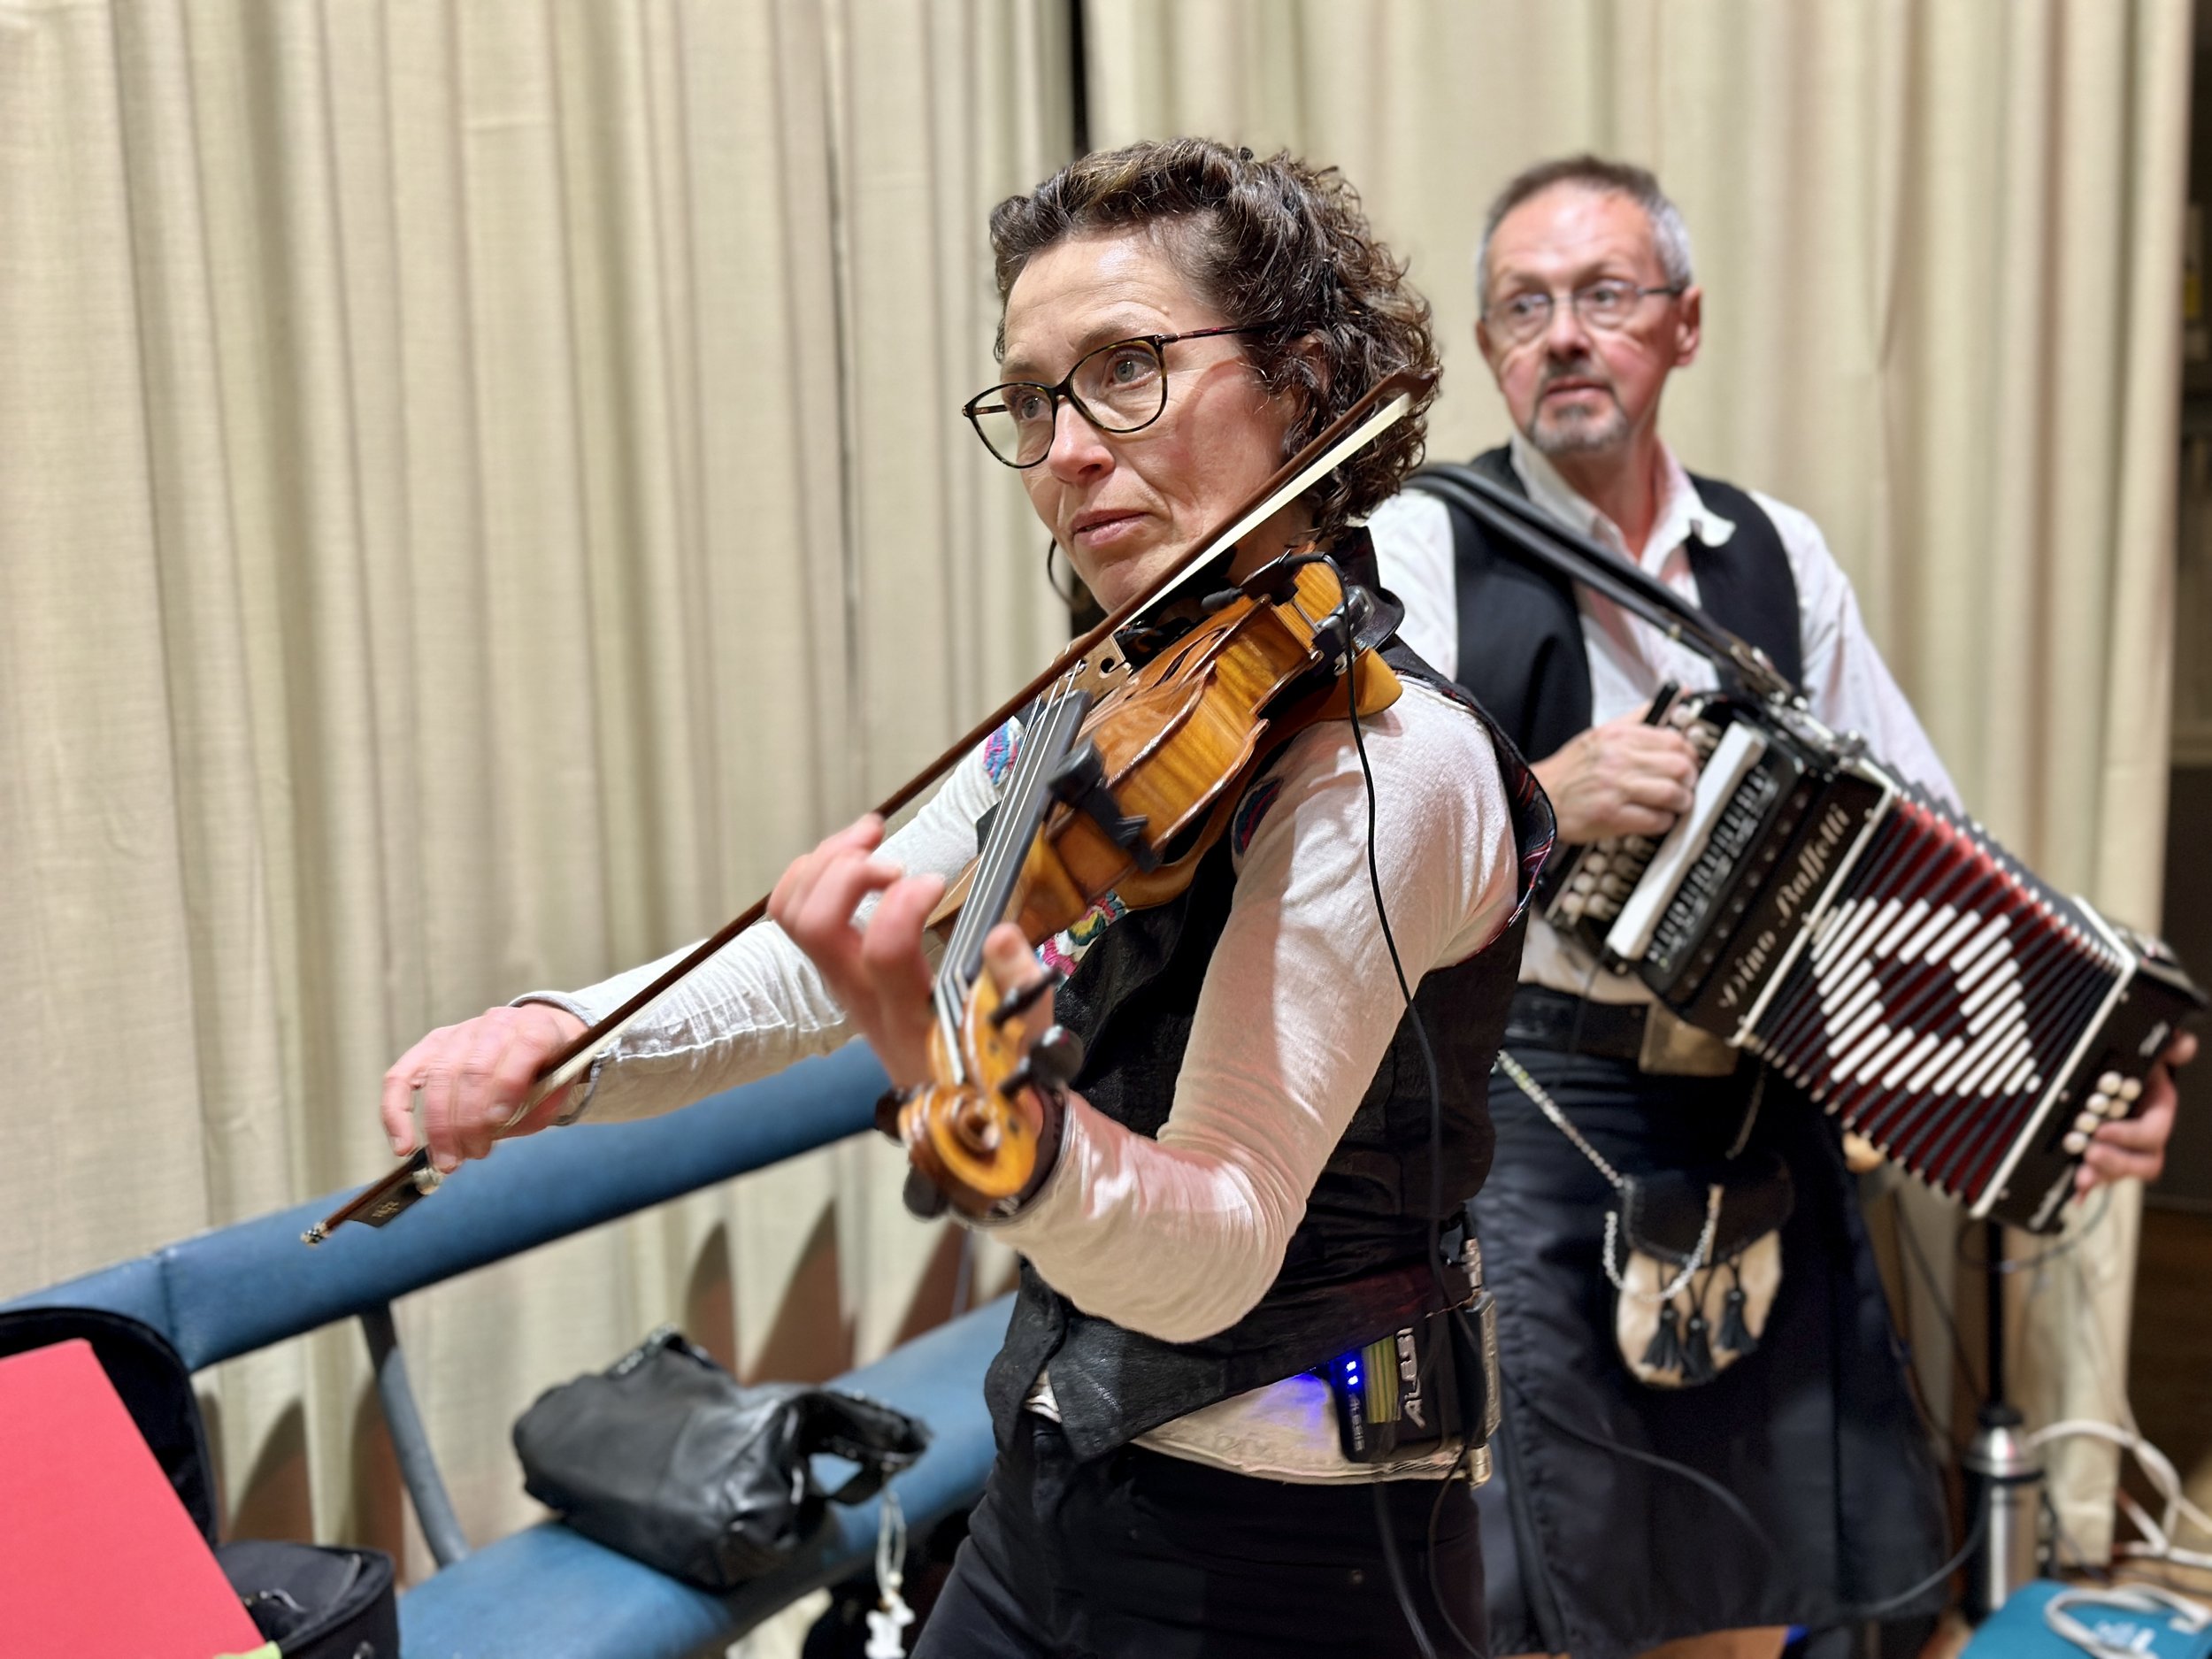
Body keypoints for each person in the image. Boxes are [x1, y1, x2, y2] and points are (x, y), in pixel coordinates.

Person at [380, 137, 1553, 1659]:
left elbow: (1218, 1245)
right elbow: (839, 949)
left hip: (1300, 1563)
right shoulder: (1105, 695)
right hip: (1056, 1477)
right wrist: (559, 1041)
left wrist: (1000, 1134)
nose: (1066, 448)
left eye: (1127, 371)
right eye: (1033, 396)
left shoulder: (1386, 770)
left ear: (1304, 385)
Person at [1370, 153, 2193, 1659]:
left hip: (1764, 1111)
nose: (1564, 334)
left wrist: (2094, 1064)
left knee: (1758, 1597)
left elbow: (1932, 832)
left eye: (1604, 297)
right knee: (1570, 1593)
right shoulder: (1425, 543)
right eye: (1523, 306)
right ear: (1489, 348)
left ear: (1681, 326)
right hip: (1537, 1120)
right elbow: (1361, 861)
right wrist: (1543, 792)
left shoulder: (1777, 553)